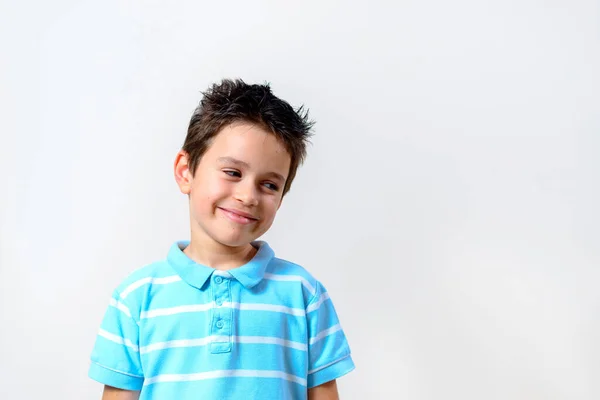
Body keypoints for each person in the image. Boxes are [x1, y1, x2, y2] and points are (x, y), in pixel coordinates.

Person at [88, 79, 355, 399]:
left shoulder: (303, 293)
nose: (248, 196)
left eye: (270, 185)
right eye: (233, 173)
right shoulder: (135, 298)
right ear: (186, 171)